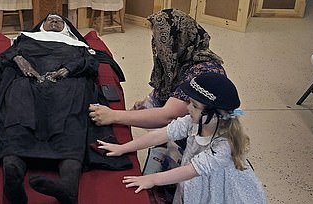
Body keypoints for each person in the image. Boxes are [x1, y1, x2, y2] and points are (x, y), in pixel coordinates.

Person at [0, 13, 130, 204]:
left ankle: (68, 185)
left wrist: (66, 69)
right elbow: (8, 56)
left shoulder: (77, 44)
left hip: (68, 79)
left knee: (71, 108)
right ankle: (13, 169)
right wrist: (20, 61)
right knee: (19, 103)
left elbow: (91, 64)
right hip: (28, 78)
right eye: (49, 19)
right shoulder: (26, 39)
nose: (53, 21)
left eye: (58, 20)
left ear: (66, 27)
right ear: (41, 26)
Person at [97, 73, 267, 204]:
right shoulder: (193, 121)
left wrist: (151, 179)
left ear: (213, 115)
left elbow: (189, 171)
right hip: (195, 180)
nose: (187, 108)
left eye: (194, 105)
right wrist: (124, 147)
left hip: (218, 188)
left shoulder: (223, 147)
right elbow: (159, 135)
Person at [89, 9, 226, 129]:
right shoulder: (182, 59)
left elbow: (167, 115)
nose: (157, 47)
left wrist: (113, 116)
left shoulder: (204, 73)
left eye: (161, 41)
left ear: (177, 40)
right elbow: (165, 93)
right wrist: (148, 102)